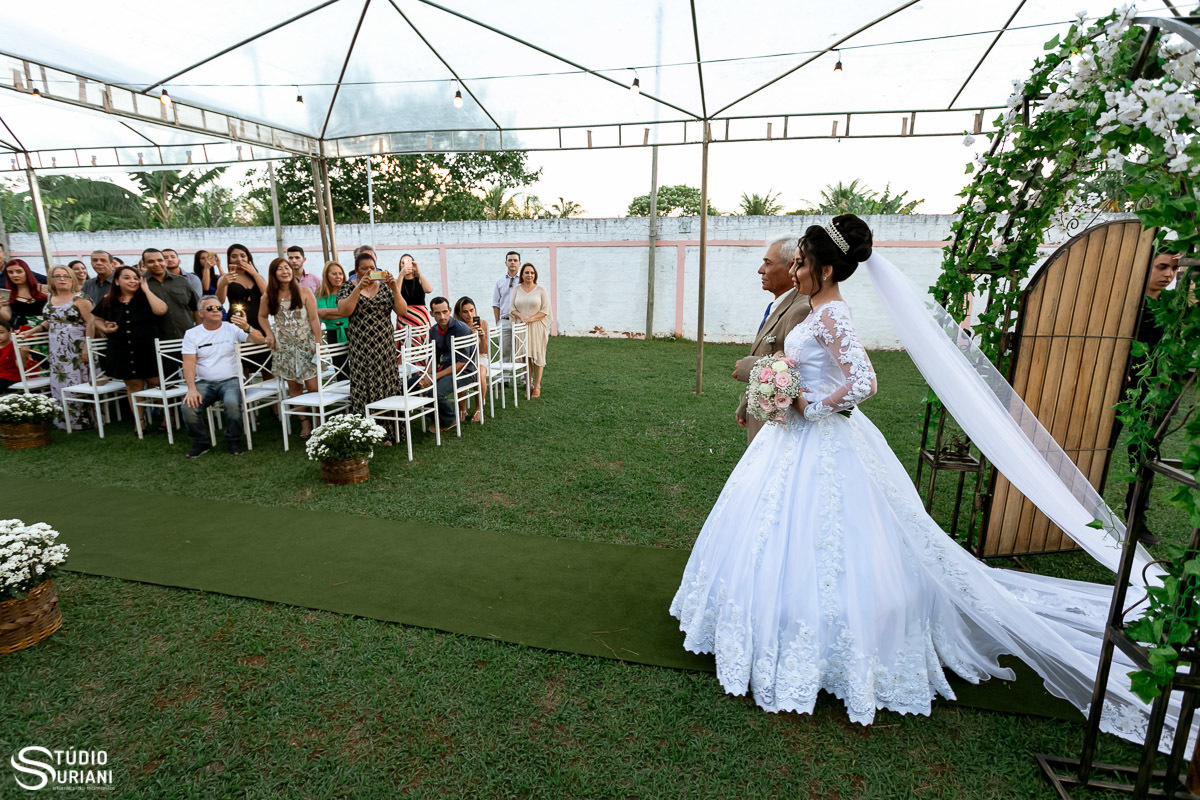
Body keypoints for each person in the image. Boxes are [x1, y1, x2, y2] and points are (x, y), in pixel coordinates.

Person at [669, 214, 1187, 749]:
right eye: (795, 262)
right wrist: (780, 384)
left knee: (832, 538)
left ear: (825, 269)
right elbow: (806, 364)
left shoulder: (834, 315)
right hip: (790, 442)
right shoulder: (818, 311)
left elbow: (864, 382)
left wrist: (808, 403)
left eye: (802, 263)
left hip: (822, 440)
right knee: (773, 529)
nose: (796, 270)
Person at [732, 235, 813, 444]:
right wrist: (746, 404)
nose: (761, 270)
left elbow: (798, 369)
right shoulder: (779, 304)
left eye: (768, 263)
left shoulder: (800, 310)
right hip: (762, 409)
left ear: (790, 267)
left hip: (779, 422)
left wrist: (748, 366)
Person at [181, 297, 268, 458]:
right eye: (210, 308)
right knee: (188, 407)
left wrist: (247, 327)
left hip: (232, 379)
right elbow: (188, 363)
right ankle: (201, 442)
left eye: (218, 307)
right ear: (201, 313)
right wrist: (191, 389)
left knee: (232, 403)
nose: (215, 310)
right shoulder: (192, 334)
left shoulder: (232, 328)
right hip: (204, 382)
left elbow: (260, 340)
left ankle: (233, 439)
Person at [90, 265, 168, 430]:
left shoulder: (146, 297)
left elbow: (161, 310)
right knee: (133, 385)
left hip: (147, 347)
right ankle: (139, 422)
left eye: (135, 278)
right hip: (121, 348)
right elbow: (95, 318)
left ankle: (167, 419)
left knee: (155, 382)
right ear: (117, 281)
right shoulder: (108, 300)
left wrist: (146, 290)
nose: (132, 281)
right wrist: (104, 328)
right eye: (127, 278)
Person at [336, 251, 407, 428]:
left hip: (384, 346)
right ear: (356, 271)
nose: (369, 271)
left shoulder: (385, 288)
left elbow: (402, 311)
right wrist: (358, 288)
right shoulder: (347, 287)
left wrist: (395, 288)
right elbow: (344, 311)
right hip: (361, 348)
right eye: (364, 268)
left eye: (372, 268)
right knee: (364, 386)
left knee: (386, 385)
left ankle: (389, 430)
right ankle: (366, 429)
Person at [26, 266, 96, 429]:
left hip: (75, 347)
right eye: (57, 276)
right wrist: (33, 331)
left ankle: (83, 421)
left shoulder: (80, 298)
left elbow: (90, 322)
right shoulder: (51, 298)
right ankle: (64, 421)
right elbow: (50, 320)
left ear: (72, 279)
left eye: (66, 276)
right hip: (57, 349)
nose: (62, 279)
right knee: (60, 382)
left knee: (76, 381)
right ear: (51, 279)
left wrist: (87, 346)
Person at [260, 257, 322, 437]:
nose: (285, 271)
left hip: (305, 345)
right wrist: (269, 334)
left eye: (287, 268)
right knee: (294, 388)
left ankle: (318, 419)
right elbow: (262, 317)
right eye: (280, 269)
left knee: (312, 386)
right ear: (274, 274)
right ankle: (304, 422)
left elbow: (313, 318)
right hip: (285, 347)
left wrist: (318, 341)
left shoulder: (304, 292)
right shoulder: (269, 295)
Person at [418, 297, 477, 429]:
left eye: (445, 312)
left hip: (465, 372)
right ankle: (438, 418)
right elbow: (434, 356)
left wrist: (434, 377)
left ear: (450, 310)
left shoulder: (461, 329)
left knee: (434, 393)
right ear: (431, 314)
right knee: (412, 386)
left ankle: (450, 420)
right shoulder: (433, 331)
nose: (442, 316)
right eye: (437, 313)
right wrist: (427, 374)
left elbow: (462, 363)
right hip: (444, 370)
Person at [509, 262, 551, 398]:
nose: (529, 275)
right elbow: (512, 309)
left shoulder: (541, 290)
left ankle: (537, 386)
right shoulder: (516, 289)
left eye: (532, 273)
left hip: (537, 327)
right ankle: (528, 384)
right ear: (521, 275)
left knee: (537, 356)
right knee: (525, 357)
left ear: (535, 275)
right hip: (521, 327)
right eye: (527, 272)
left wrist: (531, 318)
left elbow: (545, 310)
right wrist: (522, 316)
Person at [142, 248, 200, 340]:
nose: (157, 264)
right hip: (156, 341)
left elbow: (196, 308)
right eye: (151, 261)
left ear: (165, 261)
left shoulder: (182, 281)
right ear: (144, 264)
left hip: (187, 338)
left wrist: (199, 332)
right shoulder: (140, 284)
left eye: (160, 260)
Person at [217, 244, 267, 334]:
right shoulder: (225, 277)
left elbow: (268, 295)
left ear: (248, 258)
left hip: (259, 320)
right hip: (237, 320)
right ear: (229, 259)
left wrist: (254, 274)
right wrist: (222, 285)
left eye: (243, 256)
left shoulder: (258, 277)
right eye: (234, 256)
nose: (239, 259)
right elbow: (220, 301)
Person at [454, 296, 489, 422]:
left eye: (472, 310)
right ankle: (462, 409)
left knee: (480, 375)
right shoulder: (456, 326)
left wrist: (483, 337)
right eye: (465, 311)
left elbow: (485, 351)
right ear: (459, 313)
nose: (469, 314)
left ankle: (479, 408)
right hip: (463, 358)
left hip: (479, 357)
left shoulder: (482, 323)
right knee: (459, 373)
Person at [396, 253, 432, 346]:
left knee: (422, 344)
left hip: (420, 317)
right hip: (404, 317)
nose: (405, 265)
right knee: (406, 346)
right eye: (402, 263)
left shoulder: (419, 279)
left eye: (408, 262)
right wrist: (401, 275)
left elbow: (428, 289)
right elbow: (396, 294)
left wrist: (418, 271)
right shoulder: (398, 281)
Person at [4, 259, 47, 328]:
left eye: (19, 271)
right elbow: (7, 317)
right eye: (10, 272)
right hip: (23, 332)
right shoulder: (6, 293)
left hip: (46, 328)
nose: (14, 275)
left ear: (27, 272)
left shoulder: (44, 288)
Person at [316, 261, 349, 344]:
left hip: (351, 331)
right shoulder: (320, 293)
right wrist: (345, 312)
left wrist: (328, 312)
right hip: (329, 334)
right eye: (334, 274)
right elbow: (321, 313)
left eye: (340, 274)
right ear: (326, 276)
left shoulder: (349, 291)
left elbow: (354, 310)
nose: (338, 277)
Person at [0, 319, 31, 392]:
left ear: (9, 332)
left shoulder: (13, 346)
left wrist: (23, 354)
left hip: (10, 376)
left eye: (1, 332)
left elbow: (21, 366)